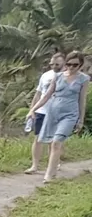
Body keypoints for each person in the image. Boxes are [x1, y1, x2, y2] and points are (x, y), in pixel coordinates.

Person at [28, 50, 90, 181]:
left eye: (75, 65)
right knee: (46, 140)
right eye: (69, 64)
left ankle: (49, 175)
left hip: (70, 113)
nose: (71, 67)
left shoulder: (83, 79)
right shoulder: (58, 76)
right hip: (53, 111)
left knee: (56, 142)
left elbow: (82, 100)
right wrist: (33, 109)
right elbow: (46, 95)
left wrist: (80, 120)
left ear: (80, 65)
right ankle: (48, 169)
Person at [25, 51, 65, 173]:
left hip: (58, 111)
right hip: (42, 111)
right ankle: (35, 165)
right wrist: (32, 110)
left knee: (54, 140)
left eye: (57, 64)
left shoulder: (67, 76)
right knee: (38, 139)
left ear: (64, 63)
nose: (54, 67)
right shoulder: (45, 75)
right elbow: (38, 94)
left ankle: (53, 163)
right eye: (52, 64)